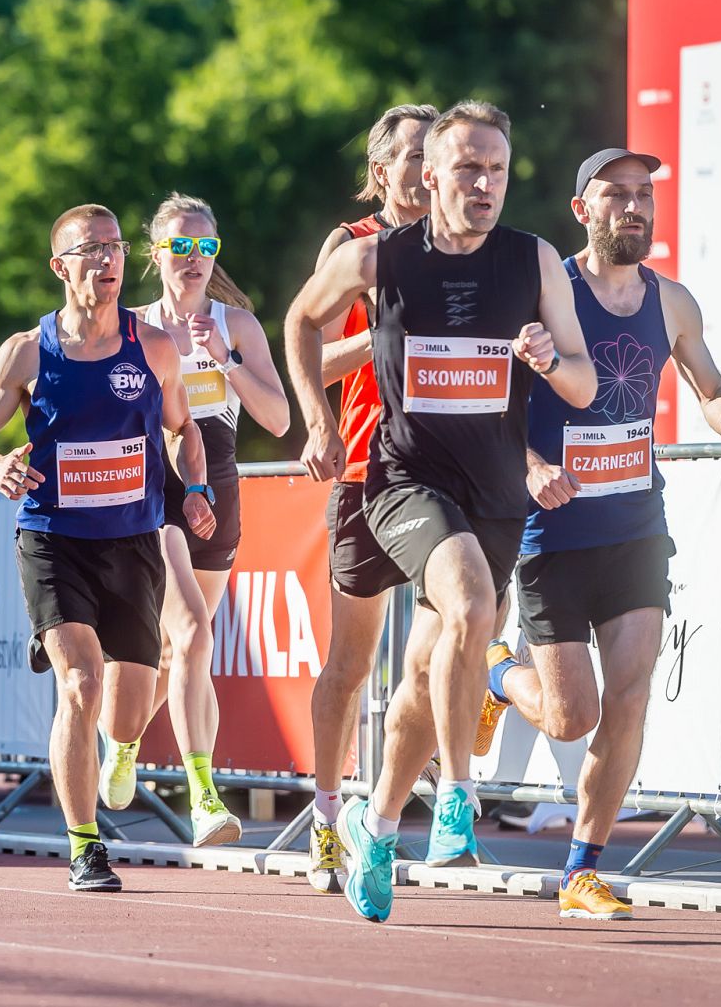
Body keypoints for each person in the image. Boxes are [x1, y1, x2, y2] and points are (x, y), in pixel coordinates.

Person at [285, 100, 597, 922]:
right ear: (424, 175)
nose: (484, 183)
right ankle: (453, 796)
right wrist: (318, 419)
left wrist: (547, 358)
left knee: (427, 673)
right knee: (455, 609)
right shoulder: (376, 255)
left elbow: (583, 382)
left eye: (496, 169)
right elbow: (299, 320)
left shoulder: (532, 261)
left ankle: (378, 823)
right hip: (393, 478)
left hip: (493, 492)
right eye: (466, 167)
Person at [480, 148, 721, 919]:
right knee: (573, 715)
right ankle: (497, 674)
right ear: (583, 210)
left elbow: (711, 386)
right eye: (616, 197)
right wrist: (533, 463)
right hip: (552, 534)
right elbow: (490, 410)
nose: (634, 208)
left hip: (637, 528)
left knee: (630, 695)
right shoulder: (544, 294)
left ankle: (583, 866)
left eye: (644, 195)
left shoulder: (671, 302)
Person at [0, 204, 215, 891]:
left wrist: (195, 484)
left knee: (127, 706)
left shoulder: (153, 346)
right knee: (80, 682)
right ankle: (84, 843)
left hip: (130, 540)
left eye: (114, 248)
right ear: (59, 266)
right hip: (52, 538)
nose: (106, 261)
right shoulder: (27, 352)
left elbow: (184, 427)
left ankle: (121, 747)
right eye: (89, 250)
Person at [96, 193, 288, 847]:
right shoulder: (134, 329)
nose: (193, 259)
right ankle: (205, 795)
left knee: (180, 648)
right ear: (157, 254)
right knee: (195, 632)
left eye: (205, 247)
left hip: (220, 495)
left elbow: (281, 420)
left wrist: (225, 361)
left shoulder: (236, 325)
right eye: (180, 246)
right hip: (156, 494)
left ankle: (121, 739)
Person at [304, 104, 439, 892]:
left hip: (445, 474)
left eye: (438, 154)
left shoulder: (464, 247)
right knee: (353, 665)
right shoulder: (350, 247)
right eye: (415, 154)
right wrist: (381, 340)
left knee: (446, 647)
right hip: (363, 472)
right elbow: (311, 355)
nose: (428, 169)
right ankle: (328, 817)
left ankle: (392, 819)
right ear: (383, 168)